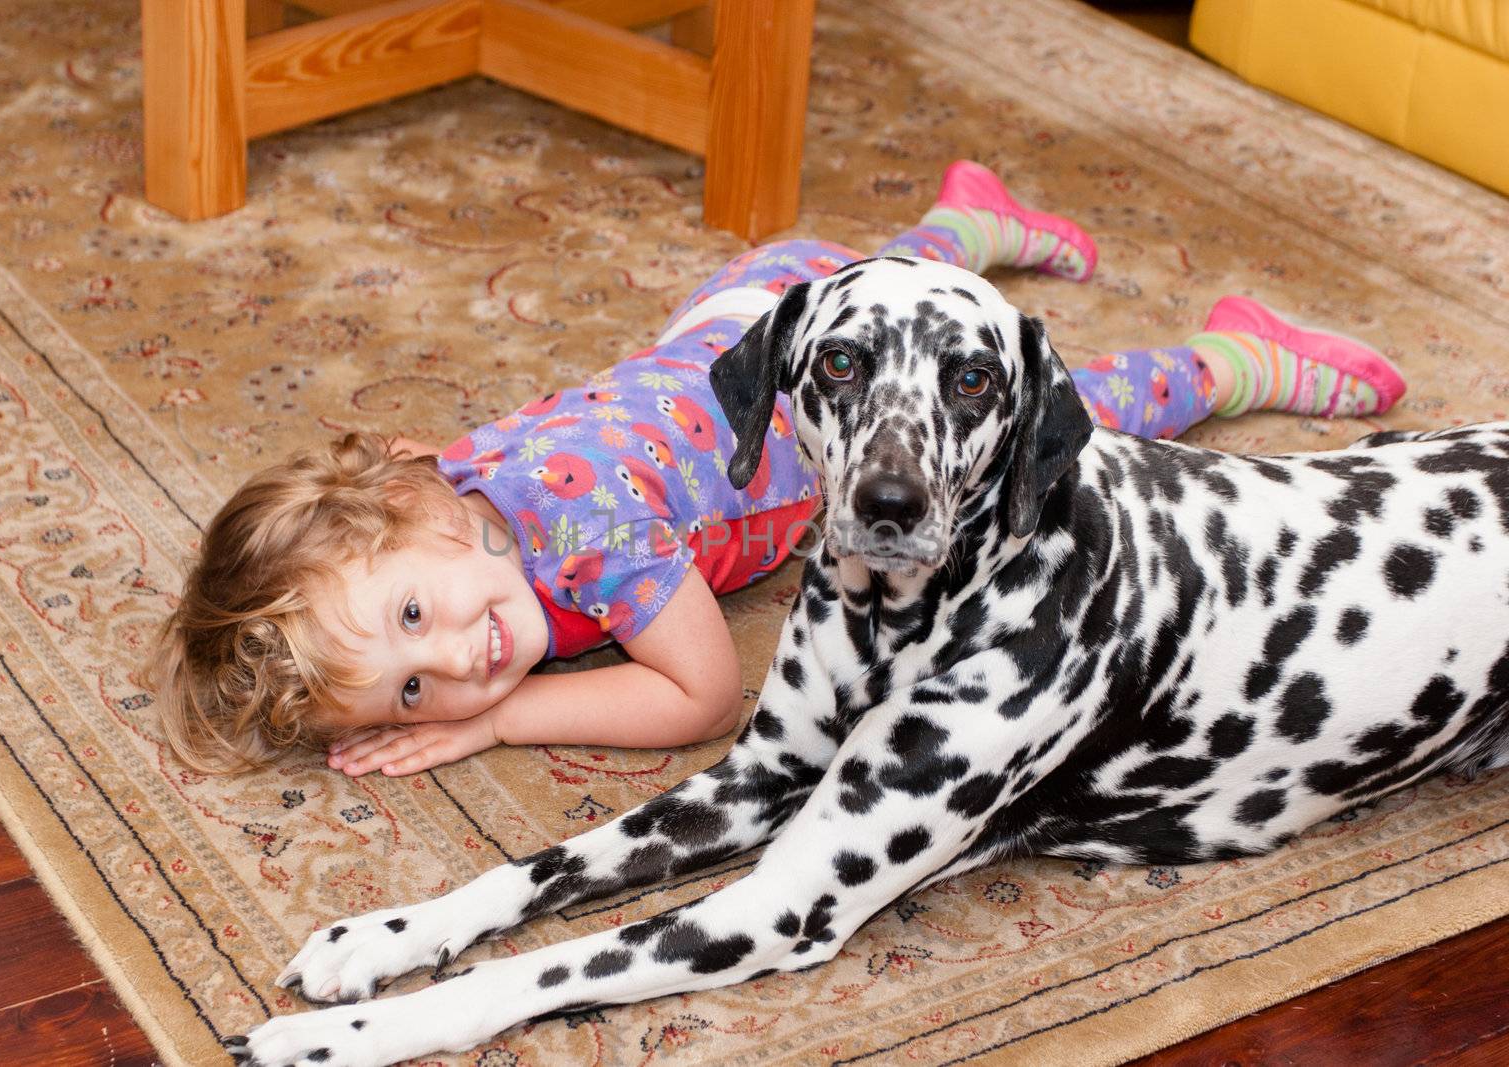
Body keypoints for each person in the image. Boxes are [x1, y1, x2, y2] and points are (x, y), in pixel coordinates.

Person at [146, 162, 1406, 777]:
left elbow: (701, 695)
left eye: (414, 620)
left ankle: (1235, 359)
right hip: (740, 317)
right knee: (902, 295)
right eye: (413, 692)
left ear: (421, 510)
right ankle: (964, 221)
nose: (460, 659)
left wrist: (500, 721)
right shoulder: (455, 487)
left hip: (788, 365)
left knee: (1057, 407)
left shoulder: (596, 546)